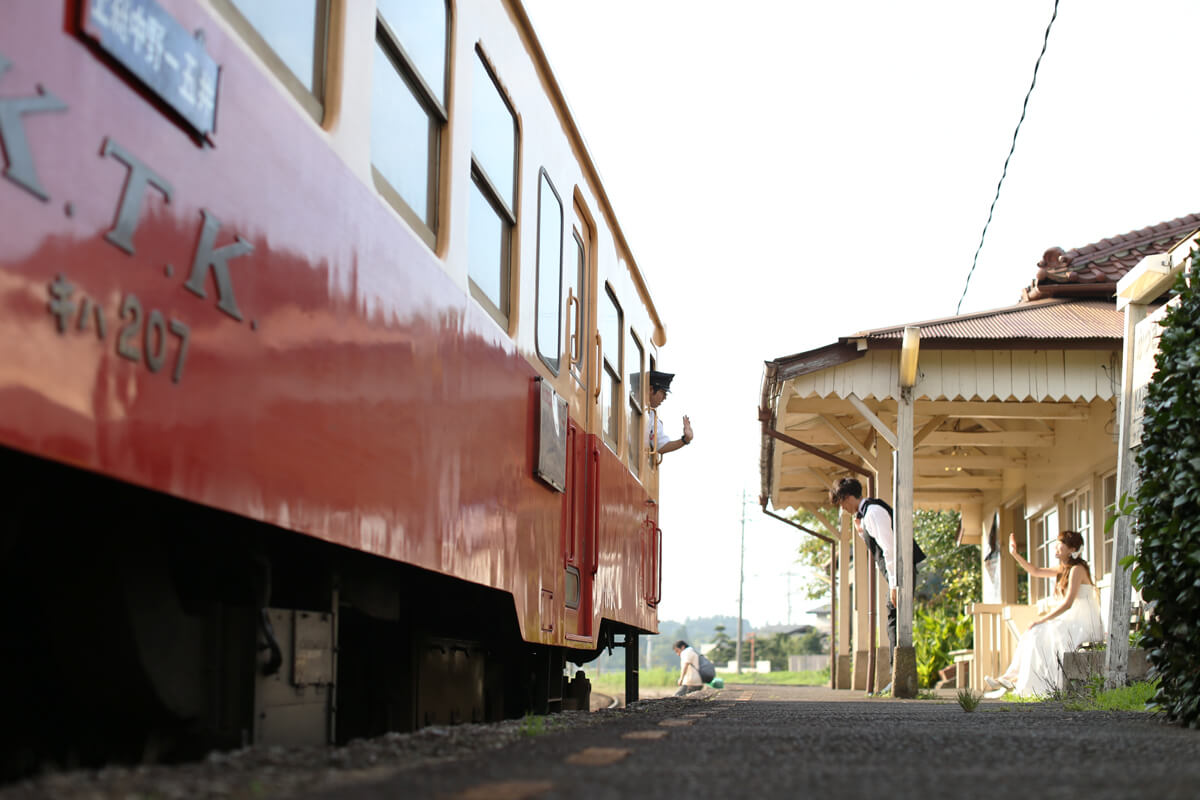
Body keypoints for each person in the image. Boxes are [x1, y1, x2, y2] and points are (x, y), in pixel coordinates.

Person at [984, 530, 1104, 698]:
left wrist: (1042, 620)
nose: (1056, 546)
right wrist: (1015, 554)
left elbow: (1068, 603)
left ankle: (1013, 678)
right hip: (1072, 620)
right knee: (1033, 633)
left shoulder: (1077, 569)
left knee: (1038, 631)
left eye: (1060, 543)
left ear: (1072, 549)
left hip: (1082, 623)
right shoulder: (1064, 569)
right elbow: (1035, 571)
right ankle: (1010, 678)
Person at [830, 477, 926, 672]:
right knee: (894, 618)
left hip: (901, 573)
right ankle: (897, 672)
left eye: (841, 503)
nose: (843, 509)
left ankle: (898, 673)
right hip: (899, 572)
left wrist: (894, 584)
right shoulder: (866, 514)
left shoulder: (873, 512)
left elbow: (890, 549)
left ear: (847, 497)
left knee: (896, 620)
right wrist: (861, 530)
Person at [645, 371, 693, 455]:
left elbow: (661, 446)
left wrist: (685, 439)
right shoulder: (627, 403)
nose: (665, 398)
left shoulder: (651, 415)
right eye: (663, 393)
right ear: (651, 389)